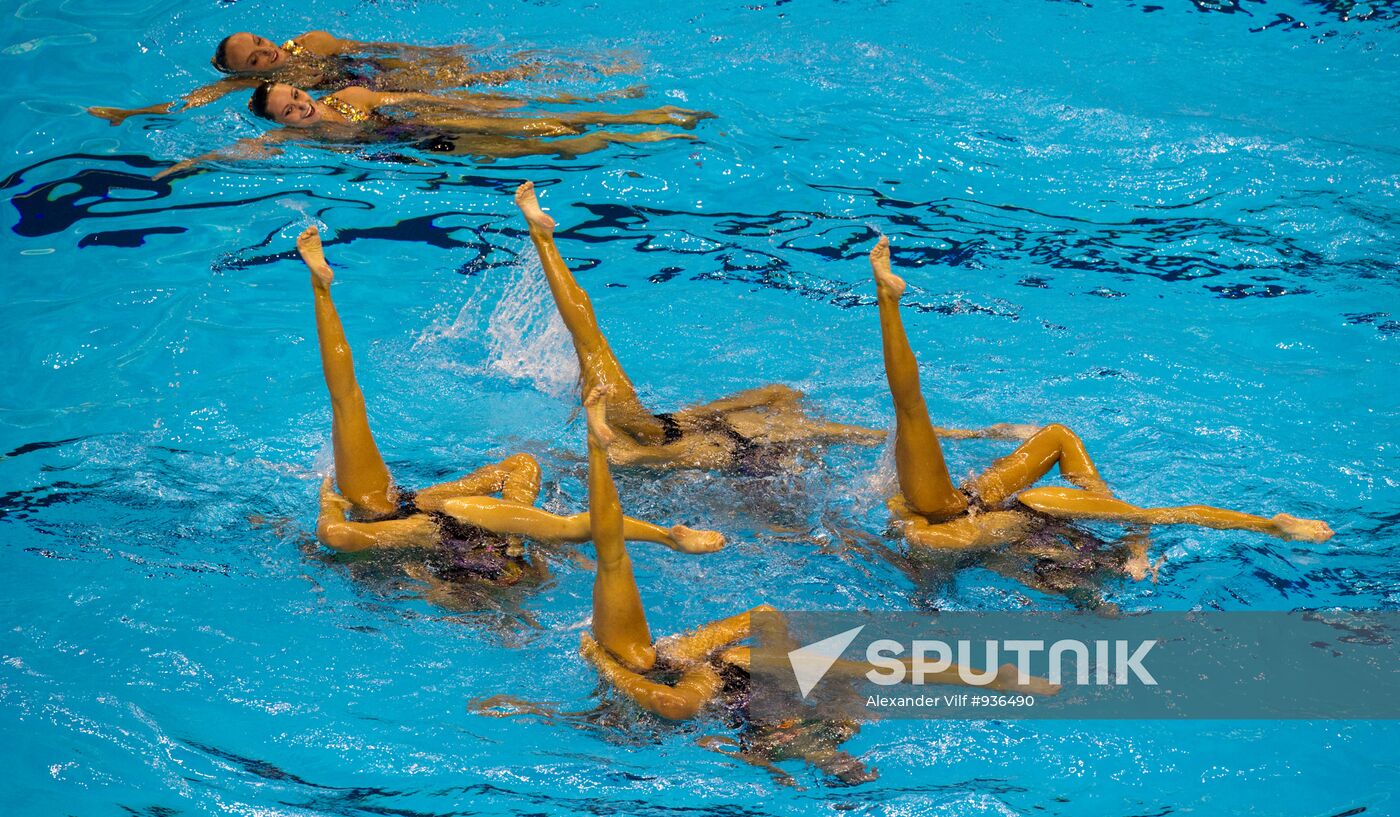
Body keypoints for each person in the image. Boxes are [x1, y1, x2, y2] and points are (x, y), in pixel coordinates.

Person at [573, 386, 1058, 785]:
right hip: (718, 666)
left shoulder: (790, 717)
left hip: (696, 669)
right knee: (623, 575)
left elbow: (689, 714)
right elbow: (904, 669)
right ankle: (599, 450)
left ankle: (600, 450)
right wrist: (995, 680)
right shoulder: (826, 702)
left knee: (619, 576)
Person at [295, 225, 724, 588]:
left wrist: (328, 503)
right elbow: (336, 536)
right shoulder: (457, 522)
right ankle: (319, 289)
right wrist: (330, 504)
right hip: (398, 507)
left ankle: (320, 288)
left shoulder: (453, 526)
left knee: (347, 404)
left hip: (396, 509)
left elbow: (337, 536)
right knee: (347, 405)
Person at [512, 181, 1035, 473]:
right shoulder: (770, 427)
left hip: (684, 435)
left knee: (589, 336)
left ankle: (544, 241)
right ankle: (989, 432)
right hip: (711, 436)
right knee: (867, 431)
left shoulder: (621, 442)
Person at [867, 236, 1335, 552]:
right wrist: (1108, 505)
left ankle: (888, 300)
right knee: (916, 412)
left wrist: (902, 518)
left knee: (912, 412)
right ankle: (1266, 524)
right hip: (973, 503)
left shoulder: (982, 531)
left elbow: (922, 538)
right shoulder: (1021, 522)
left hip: (956, 510)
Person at [153, 85, 707, 178]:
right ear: (278, 122)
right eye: (286, 108)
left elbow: (419, 100)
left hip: (438, 125)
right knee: (553, 144)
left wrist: (484, 101)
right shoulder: (289, 140)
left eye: (295, 95)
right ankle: (649, 135)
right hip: (432, 144)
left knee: (550, 123)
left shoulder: (349, 99)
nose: (298, 105)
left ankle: (654, 121)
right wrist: (186, 164)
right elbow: (238, 151)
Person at [87, 30, 559, 126]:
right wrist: (129, 113)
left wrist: (442, 54)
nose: (266, 52)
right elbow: (191, 100)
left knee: (478, 83)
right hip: (361, 99)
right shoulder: (254, 92)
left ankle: (545, 80)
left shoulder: (313, 43)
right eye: (255, 61)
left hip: (375, 77)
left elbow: (383, 50)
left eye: (258, 41)